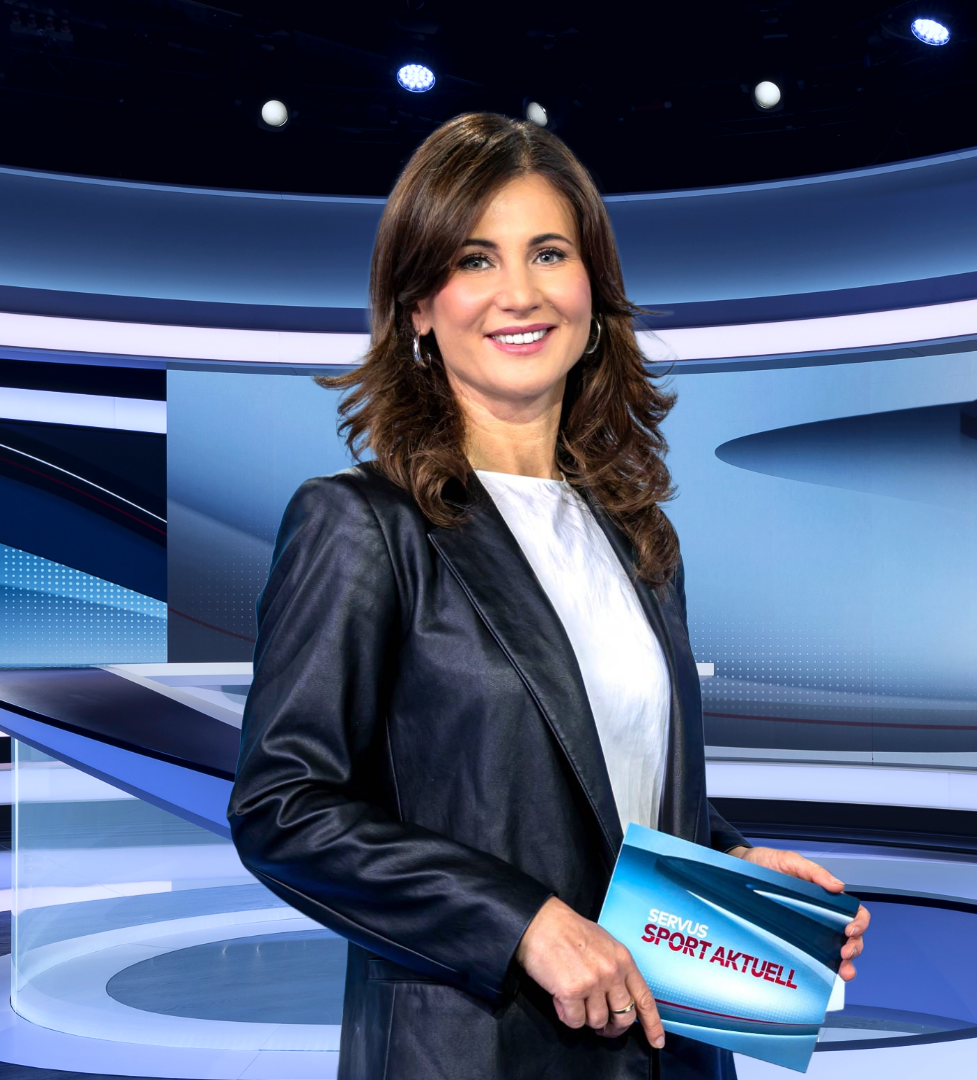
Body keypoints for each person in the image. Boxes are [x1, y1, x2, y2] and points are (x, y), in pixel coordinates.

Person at [228, 112, 868, 1080]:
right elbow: (284, 808)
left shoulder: (639, 535)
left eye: (549, 253)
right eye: (474, 259)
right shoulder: (361, 522)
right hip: (478, 1053)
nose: (519, 293)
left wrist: (726, 864)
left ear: (593, 289)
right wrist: (521, 923)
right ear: (418, 305)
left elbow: (605, 791)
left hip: (666, 1050)